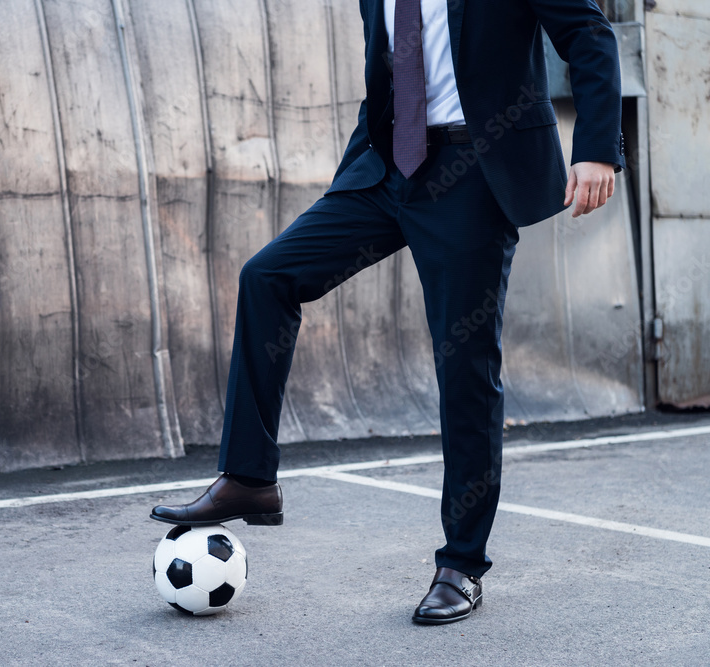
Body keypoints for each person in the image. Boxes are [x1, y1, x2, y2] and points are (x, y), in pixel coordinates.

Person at [151, 0, 625, 624]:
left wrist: (596, 148)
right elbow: (391, 72)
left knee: (464, 364)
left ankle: (461, 563)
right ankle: (249, 477)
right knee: (267, 277)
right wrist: (355, 172)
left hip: (471, 173)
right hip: (386, 171)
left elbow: (590, 36)